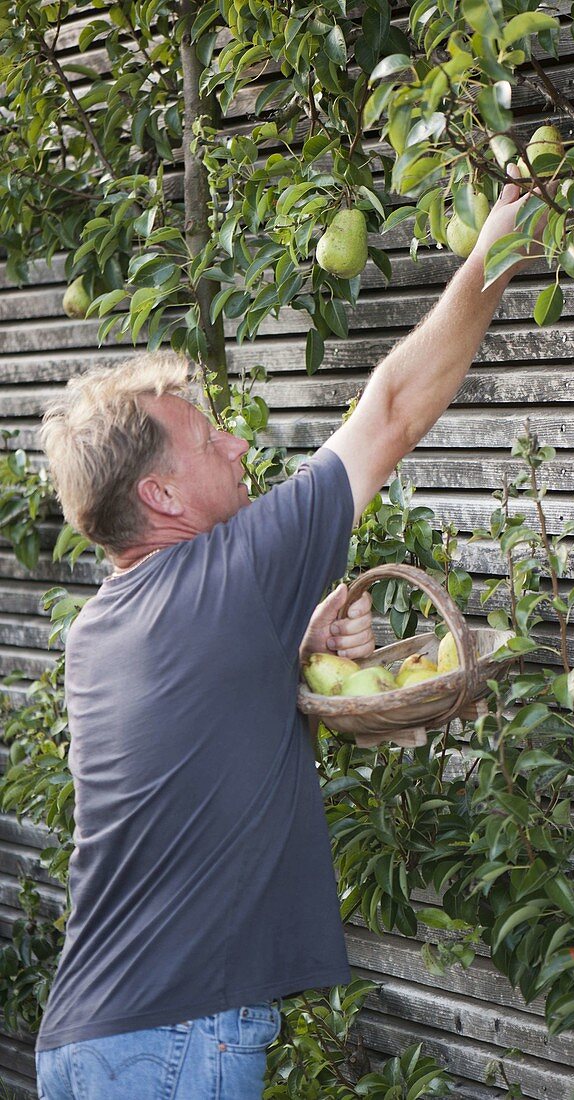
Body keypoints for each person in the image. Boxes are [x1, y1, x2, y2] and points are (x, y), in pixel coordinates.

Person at [34, 166, 536, 1099]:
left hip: (87, 1043)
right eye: (208, 439)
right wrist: (501, 245)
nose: (235, 446)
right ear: (161, 495)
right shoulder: (231, 577)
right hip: (176, 1044)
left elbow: (199, 722)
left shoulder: (100, 632)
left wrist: (298, 643)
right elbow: (389, 411)